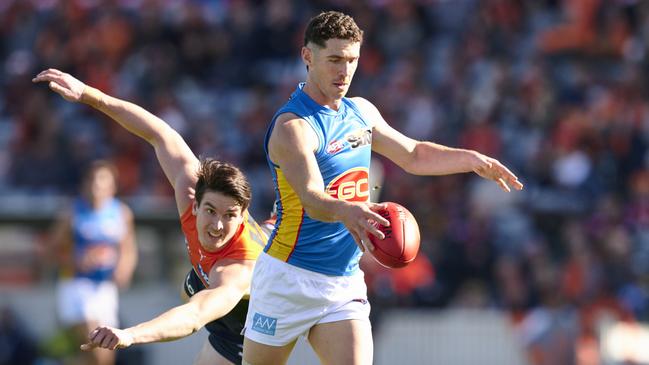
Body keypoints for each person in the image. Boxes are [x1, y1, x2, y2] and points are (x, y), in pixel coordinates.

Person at [242, 10, 524, 365]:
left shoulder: (361, 112)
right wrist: (349, 210)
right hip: (288, 277)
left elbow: (414, 155)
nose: (344, 71)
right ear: (307, 57)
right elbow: (313, 199)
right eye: (334, 60)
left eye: (352, 60)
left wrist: (472, 160)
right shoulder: (293, 127)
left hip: (342, 282)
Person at [34, 68, 268, 365]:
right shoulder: (189, 188)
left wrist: (132, 334)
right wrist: (89, 95)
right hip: (219, 310)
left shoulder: (236, 268)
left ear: (243, 214)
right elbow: (159, 132)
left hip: (253, 322)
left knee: (195, 290)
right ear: (195, 204)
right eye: (211, 211)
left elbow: (195, 315)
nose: (218, 225)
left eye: (230, 215)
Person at [50, 158, 137, 365]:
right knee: (95, 341)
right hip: (77, 285)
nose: (97, 186)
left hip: (105, 289)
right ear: (85, 184)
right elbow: (53, 250)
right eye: (93, 181)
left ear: (113, 186)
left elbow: (128, 248)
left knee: (103, 353)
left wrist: (124, 269)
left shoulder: (121, 213)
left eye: (103, 181)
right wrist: (75, 259)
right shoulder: (72, 212)